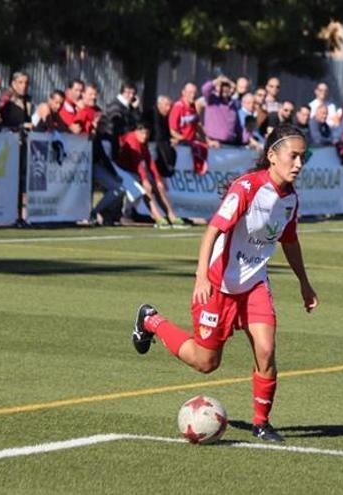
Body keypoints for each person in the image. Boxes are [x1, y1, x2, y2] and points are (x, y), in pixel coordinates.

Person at [131, 123, 319, 442]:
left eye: (304, 157)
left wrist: (305, 283)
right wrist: (202, 275)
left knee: (266, 349)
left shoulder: (290, 200)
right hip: (219, 285)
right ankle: (151, 320)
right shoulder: (246, 188)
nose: (299, 164)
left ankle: (261, 423)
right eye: (294, 156)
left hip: (255, 284)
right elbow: (213, 231)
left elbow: (290, 241)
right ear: (273, 155)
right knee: (206, 363)